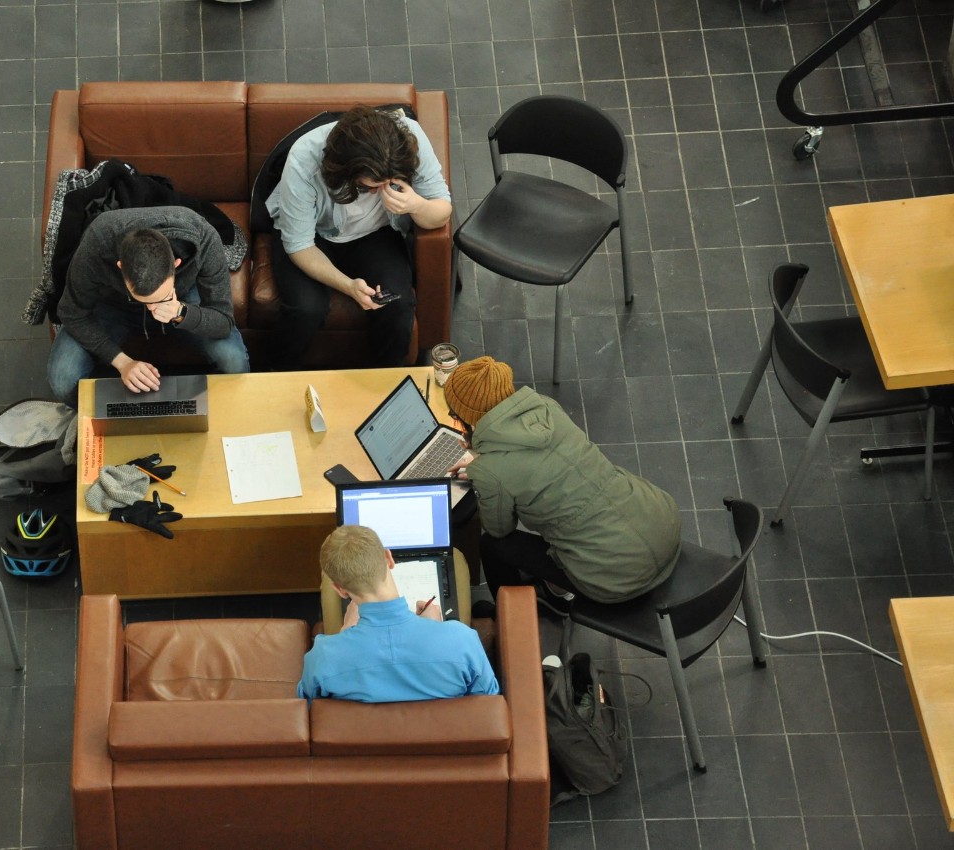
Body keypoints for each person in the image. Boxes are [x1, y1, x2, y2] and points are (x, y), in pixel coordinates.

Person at [443, 356, 681, 614]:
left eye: (455, 414)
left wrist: (484, 470)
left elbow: (499, 528)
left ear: (468, 417)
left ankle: (518, 615)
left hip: (615, 577)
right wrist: (485, 461)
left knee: (492, 546)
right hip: (661, 525)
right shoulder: (547, 409)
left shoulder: (490, 470)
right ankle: (551, 588)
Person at [265, 105, 452, 369]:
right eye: (369, 187)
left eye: (390, 182)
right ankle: (275, 377)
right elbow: (299, 245)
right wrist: (349, 286)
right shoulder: (304, 158)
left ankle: (386, 384)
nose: (381, 192)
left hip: (375, 234)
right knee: (306, 309)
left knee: (397, 305)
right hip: (315, 233)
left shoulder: (409, 139)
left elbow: (442, 211)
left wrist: (415, 205)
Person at [47, 206, 249, 405]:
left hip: (183, 299)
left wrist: (180, 312)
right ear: (120, 267)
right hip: (114, 304)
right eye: (144, 300)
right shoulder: (98, 241)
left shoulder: (203, 237)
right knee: (62, 379)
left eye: (160, 298)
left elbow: (223, 321)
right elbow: (71, 312)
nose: (153, 309)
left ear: (176, 265)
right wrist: (122, 362)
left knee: (234, 360)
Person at [297, 525, 499, 703]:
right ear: (389, 559)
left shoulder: (324, 657)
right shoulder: (461, 640)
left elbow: (307, 704)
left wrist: (343, 635)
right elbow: (487, 702)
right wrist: (437, 630)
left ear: (340, 589)